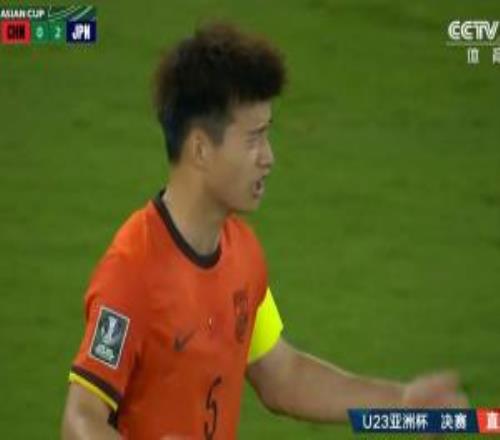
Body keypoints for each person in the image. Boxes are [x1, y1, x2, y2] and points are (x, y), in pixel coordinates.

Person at [61, 22, 467, 440]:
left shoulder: (242, 252)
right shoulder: (133, 271)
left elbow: (282, 375)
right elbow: (80, 420)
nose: (268, 158)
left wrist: (402, 403)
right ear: (200, 149)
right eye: (253, 139)